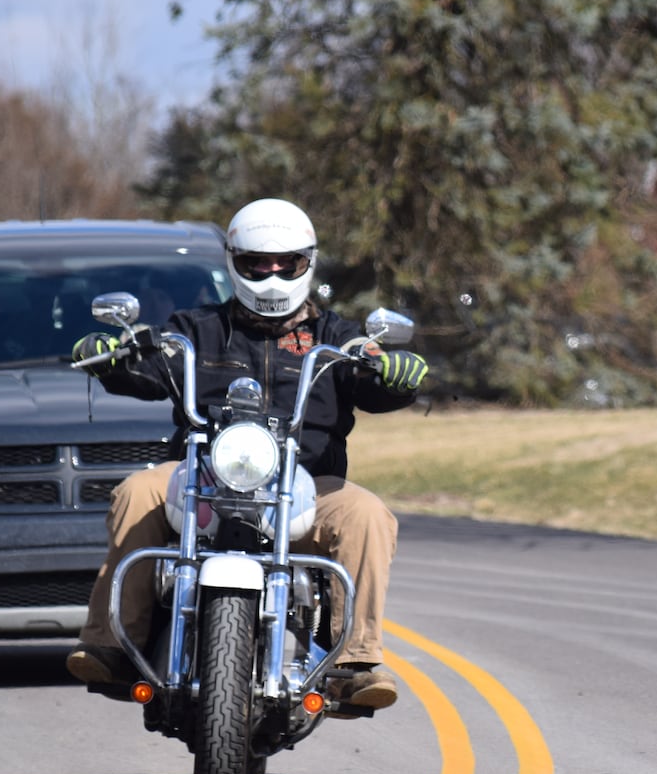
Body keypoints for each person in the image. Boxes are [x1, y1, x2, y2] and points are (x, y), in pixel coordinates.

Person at [65, 198, 428, 714]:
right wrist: (112, 356)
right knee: (137, 491)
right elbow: (148, 364)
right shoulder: (195, 328)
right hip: (205, 479)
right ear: (235, 261)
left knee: (368, 514)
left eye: (286, 263)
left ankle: (355, 662)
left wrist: (394, 373)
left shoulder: (336, 337)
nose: (272, 273)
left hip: (306, 485)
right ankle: (111, 644)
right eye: (258, 262)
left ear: (308, 262)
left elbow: (371, 378)